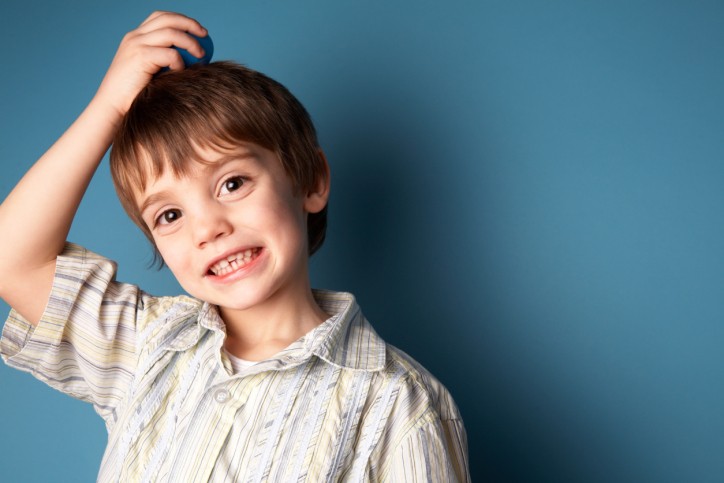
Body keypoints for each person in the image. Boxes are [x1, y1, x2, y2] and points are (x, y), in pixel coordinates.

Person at [0, 11, 469, 482]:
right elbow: (12, 259)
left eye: (233, 183)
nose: (208, 228)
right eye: (170, 215)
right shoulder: (147, 347)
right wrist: (109, 107)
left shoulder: (399, 403)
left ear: (311, 180)